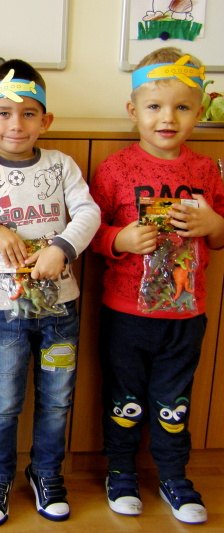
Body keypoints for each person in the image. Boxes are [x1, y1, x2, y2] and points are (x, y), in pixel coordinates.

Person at [0, 59, 101, 527]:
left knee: (56, 401)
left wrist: (62, 247)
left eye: (29, 113)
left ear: (45, 121)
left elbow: (88, 212)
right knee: (4, 405)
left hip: (61, 310)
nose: (16, 124)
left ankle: (46, 473)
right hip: (4, 313)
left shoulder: (61, 165)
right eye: (4, 113)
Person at [90, 48, 224, 525]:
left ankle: (173, 475)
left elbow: (220, 235)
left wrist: (213, 224)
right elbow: (91, 232)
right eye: (154, 106)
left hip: (186, 315)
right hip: (126, 313)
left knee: (174, 401)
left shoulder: (206, 170)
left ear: (200, 111)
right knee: (123, 398)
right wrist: (120, 239)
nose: (168, 118)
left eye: (182, 107)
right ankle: (121, 471)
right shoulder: (115, 168)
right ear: (133, 110)